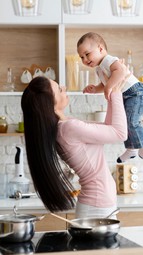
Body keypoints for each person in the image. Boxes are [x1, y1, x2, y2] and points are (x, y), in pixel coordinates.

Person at [21, 71, 128, 218]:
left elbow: (109, 128)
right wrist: (116, 93)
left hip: (98, 205)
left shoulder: (65, 126)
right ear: (50, 104)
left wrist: (110, 91)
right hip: (96, 208)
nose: (64, 88)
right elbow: (120, 133)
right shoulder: (68, 128)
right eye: (59, 89)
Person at [77, 32, 143, 163]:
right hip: (127, 95)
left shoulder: (109, 60)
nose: (85, 60)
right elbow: (105, 83)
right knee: (125, 123)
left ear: (101, 49)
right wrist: (96, 89)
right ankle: (131, 149)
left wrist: (108, 87)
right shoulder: (99, 69)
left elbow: (120, 71)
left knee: (131, 121)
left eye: (87, 54)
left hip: (136, 92)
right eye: (81, 57)